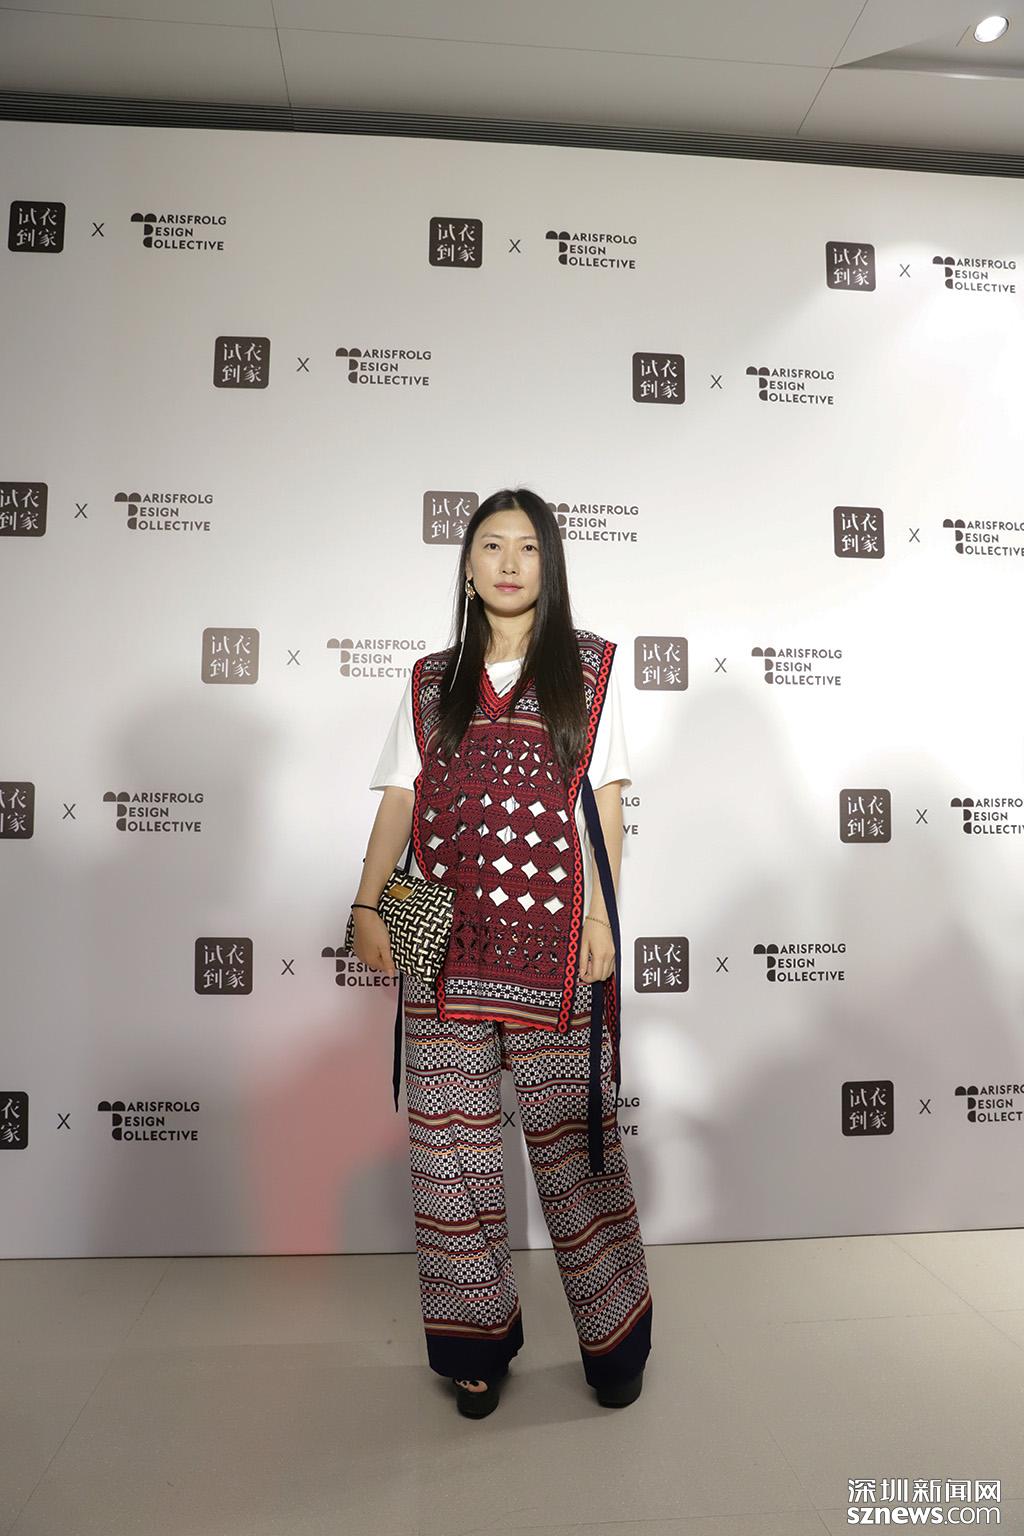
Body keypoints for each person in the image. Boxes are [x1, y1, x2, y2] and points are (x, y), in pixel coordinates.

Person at [350, 486, 653, 1419]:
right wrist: (366, 901)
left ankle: (615, 1341)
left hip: (555, 946)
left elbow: (605, 804)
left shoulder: (589, 670)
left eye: (528, 546)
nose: (510, 562)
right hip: (442, 945)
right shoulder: (428, 681)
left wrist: (602, 920)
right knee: (451, 1152)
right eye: (492, 545)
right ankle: (473, 1346)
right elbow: (399, 798)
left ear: (548, 565)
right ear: (467, 566)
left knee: (576, 1148)